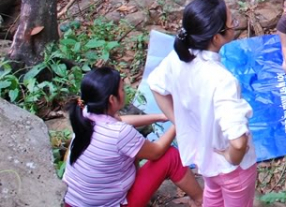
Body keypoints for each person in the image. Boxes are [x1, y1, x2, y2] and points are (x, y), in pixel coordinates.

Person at [148, 0, 257, 207]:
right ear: (217, 38)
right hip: (231, 169)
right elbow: (238, 141)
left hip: (204, 157)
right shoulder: (222, 81)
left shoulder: (177, 58)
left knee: (213, 195)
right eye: (231, 21)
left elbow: (155, 86)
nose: (235, 23)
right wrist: (232, 157)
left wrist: (180, 122)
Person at [63, 67, 202, 207]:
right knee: (171, 156)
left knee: (132, 151)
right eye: (122, 89)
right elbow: (157, 151)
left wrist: (160, 117)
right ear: (112, 99)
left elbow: (120, 120)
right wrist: (178, 120)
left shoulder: (85, 113)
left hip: (73, 202)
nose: (124, 92)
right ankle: (201, 200)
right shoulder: (120, 134)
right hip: (110, 204)